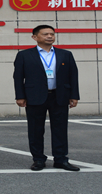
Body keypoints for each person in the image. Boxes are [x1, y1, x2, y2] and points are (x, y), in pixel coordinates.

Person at [13, 25, 80, 172]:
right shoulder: (24, 55)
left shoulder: (65, 54)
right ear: (35, 37)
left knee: (60, 129)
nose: (49, 36)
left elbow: (73, 75)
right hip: (34, 96)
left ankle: (61, 159)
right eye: (45, 34)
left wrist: (74, 95)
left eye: (52, 34)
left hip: (59, 96)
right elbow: (18, 77)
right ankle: (38, 159)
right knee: (35, 130)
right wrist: (20, 96)